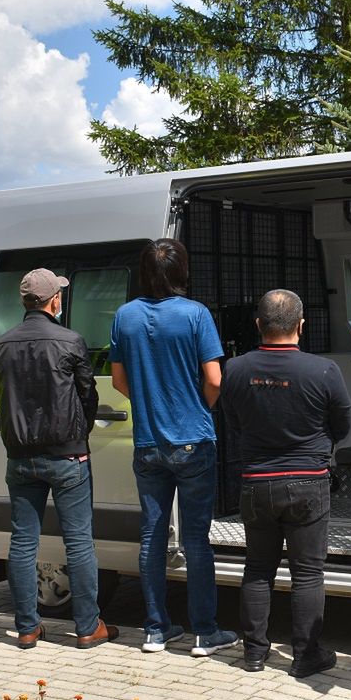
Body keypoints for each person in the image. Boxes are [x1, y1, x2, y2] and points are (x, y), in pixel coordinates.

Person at [109, 238, 238, 656]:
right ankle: (205, 631)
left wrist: (150, 406)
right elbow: (215, 379)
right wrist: (197, 410)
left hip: (148, 444)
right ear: (182, 270)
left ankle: (155, 629)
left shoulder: (124, 316)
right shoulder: (196, 314)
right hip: (193, 440)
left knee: (151, 536)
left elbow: (118, 380)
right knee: (197, 539)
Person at [221, 289, 351, 678]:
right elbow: (342, 426)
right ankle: (305, 655)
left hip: (256, 482)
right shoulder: (323, 370)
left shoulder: (236, 369)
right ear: (301, 325)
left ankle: (254, 654)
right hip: (308, 482)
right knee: (308, 572)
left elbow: (233, 422)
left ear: (258, 324)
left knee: (258, 568)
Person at [0, 268, 118, 650]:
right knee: (78, 542)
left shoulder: (1, 344)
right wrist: (81, 430)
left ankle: (28, 628)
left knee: (22, 541)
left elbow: (2, 397)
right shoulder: (70, 341)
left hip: (20, 456)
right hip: (68, 456)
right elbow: (87, 395)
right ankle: (86, 627)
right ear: (54, 300)